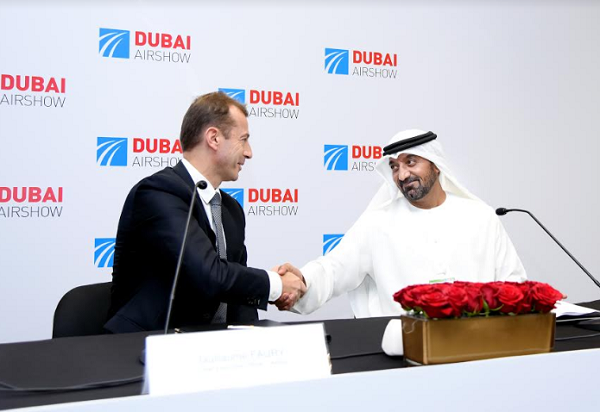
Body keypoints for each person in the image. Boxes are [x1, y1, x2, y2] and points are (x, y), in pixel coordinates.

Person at [105, 92, 305, 333]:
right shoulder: (158, 193)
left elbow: (237, 298)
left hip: (211, 347)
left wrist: (252, 339)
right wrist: (276, 285)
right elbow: (207, 274)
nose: (249, 152)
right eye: (243, 140)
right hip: (145, 344)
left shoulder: (231, 210)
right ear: (214, 138)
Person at [277, 129, 526, 316]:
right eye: (394, 167)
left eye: (411, 162)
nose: (403, 174)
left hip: (477, 347)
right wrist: (302, 282)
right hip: (405, 350)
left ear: (436, 166)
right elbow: (333, 269)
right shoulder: (377, 224)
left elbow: (514, 283)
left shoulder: (481, 217)